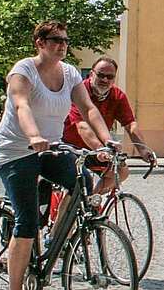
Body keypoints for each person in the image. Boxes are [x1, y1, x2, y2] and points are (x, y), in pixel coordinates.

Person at [0, 21, 117, 290]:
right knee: (27, 220)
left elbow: (88, 108)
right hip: (15, 152)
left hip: (52, 149)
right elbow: (21, 105)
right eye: (55, 40)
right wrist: (34, 136)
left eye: (64, 40)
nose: (62, 45)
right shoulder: (23, 71)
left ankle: (53, 242)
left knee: (83, 183)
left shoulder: (71, 73)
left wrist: (108, 140)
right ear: (39, 42)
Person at [64, 57, 156, 196]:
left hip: (99, 149)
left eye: (110, 77)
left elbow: (130, 124)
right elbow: (82, 127)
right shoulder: (79, 92)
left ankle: (91, 202)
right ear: (91, 74)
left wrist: (143, 149)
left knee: (121, 172)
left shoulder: (117, 96)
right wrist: (100, 148)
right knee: (78, 184)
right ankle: (68, 213)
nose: (105, 80)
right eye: (101, 75)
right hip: (72, 148)